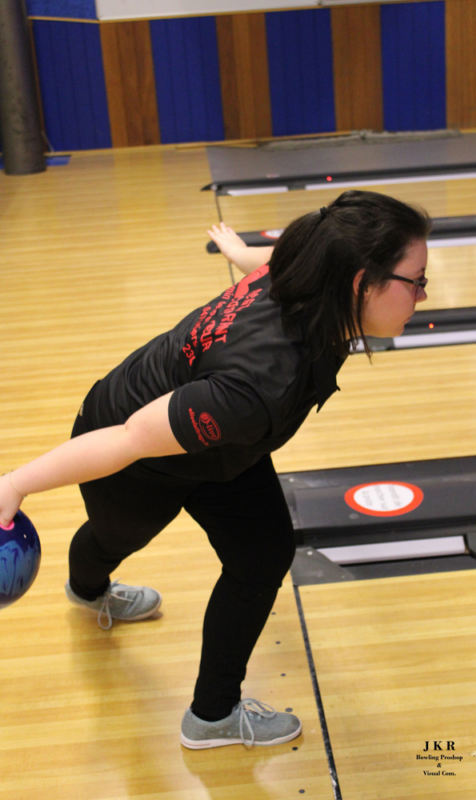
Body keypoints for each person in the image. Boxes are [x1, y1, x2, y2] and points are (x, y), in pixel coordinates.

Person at [0, 190, 430, 749]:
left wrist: (239, 250)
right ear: (360, 284)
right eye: (415, 280)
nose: (424, 293)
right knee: (114, 538)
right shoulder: (259, 384)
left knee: (263, 553)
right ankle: (88, 590)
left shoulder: (312, 279)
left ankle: (213, 715)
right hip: (134, 455)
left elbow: (276, 265)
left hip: (221, 445)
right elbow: (130, 439)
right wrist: (14, 484)